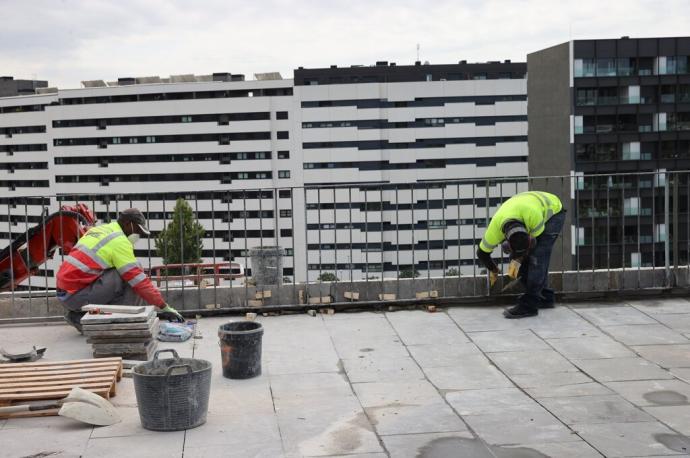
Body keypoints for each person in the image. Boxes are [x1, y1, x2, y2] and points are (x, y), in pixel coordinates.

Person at [56, 208, 184, 332]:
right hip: (75, 295)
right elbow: (139, 281)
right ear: (128, 224)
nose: (138, 235)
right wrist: (164, 307)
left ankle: (82, 316)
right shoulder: (119, 241)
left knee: (125, 274)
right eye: (138, 231)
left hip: (67, 292)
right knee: (130, 277)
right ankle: (123, 322)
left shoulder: (102, 229)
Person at [476, 191, 565, 319]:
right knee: (527, 261)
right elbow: (482, 253)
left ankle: (529, 305)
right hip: (525, 206)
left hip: (554, 210)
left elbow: (537, 253)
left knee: (537, 258)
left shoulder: (534, 219)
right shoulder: (494, 230)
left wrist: (520, 259)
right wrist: (494, 269)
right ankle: (545, 297)